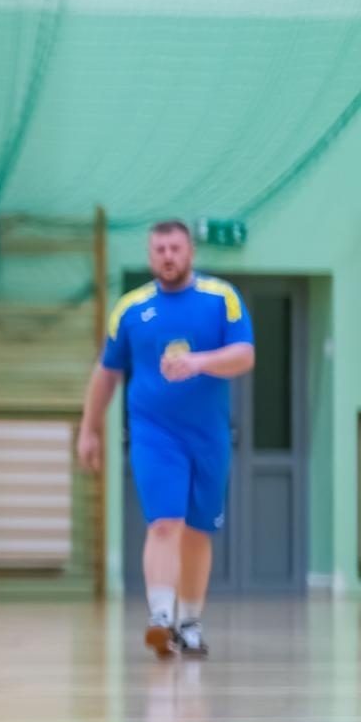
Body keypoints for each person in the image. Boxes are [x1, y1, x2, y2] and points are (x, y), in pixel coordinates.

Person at [77, 220, 255, 657]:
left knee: (197, 531)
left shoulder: (221, 298)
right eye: (159, 249)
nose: (168, 256)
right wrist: (89, 428)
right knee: (164, 523)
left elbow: (244, 355)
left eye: (175, 248)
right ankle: (160, 618)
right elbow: (107, 373)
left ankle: (190, 622)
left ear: (190, 251)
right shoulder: (131, 310)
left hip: (209, 435)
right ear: (150, 254)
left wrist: (198, 362)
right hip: (154, 435)